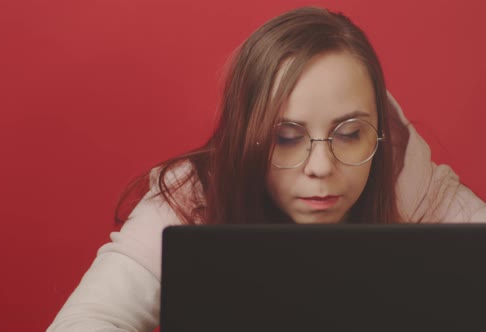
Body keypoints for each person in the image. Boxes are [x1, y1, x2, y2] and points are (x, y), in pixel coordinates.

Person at [47, 6, 486, 332]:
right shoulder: (195, 194)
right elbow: (88, 320)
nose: (320, 167)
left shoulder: (414, 185)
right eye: (286, 137)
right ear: (246, 137)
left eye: (350, 133)